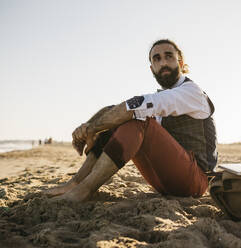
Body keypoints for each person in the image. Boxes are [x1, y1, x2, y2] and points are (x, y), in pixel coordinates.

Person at [44, 39, 218, 202]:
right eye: (157, 59)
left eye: (169, 56)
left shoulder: (191, 92)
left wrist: (92, 130)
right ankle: (75, 183)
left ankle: (84, 190)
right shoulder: (163, 98)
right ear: (152, 69)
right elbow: (116, 111)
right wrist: (87, 126)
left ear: (180, 63)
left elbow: (133, 107)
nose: (163, 63)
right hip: (164, 183)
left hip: (195, 182)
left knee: (137, 117)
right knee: (123, 118)